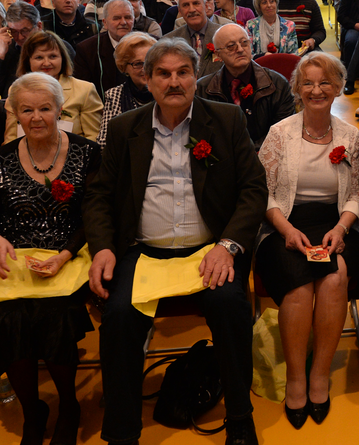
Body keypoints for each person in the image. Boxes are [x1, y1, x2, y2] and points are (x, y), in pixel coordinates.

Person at [83, 38, 266, 445]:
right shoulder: (124, 128)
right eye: (163, 74)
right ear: (146, 80)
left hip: (209, 249)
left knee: (230, 306)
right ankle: (123, 430)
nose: (174, 81)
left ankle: (239, 416)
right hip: (143, 251)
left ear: (195, 78)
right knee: (118, 317)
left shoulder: (227, 119)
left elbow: (253, 189)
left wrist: (229, 245)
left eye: (183, 72)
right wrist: (104, 249)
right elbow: (98, 195)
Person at [0, 73, 102, 445]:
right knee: (3, 316)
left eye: (45, 108)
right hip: (16, 257)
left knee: (53, 314)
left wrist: (64, 255)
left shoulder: (86, 152)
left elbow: (94, 216)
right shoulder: (0, 159)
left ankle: (69, 405)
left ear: (60, 110)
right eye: (26, 110)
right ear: (14, 113)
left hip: (70, 252)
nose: (37, 117)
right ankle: (33, 411)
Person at [255, 52, 359, 429]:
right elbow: (262, 192)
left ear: (337, 88)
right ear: (297, 89)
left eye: (325, 83)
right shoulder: (279, 133)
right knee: (300, 287)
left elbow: (356, 194)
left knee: (334, 279)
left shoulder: (350, 135)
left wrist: (343, 228)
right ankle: (297, 378)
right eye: (308, 83)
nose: (316, 90)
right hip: (283, 223)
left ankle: (320, 375)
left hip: (334, 223)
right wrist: (285, 229)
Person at [195, 24, 295, 151]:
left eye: (244, 43)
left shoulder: (277, 84)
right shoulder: (202, 89)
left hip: (267, 156)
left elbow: (284, 130)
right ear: (217, 54)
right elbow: (203, 133)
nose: (240, 49)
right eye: (231, 46)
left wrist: (249, 154)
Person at [5, 32, 102, 145]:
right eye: (39, 57)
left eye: (53, 56)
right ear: (28, 61)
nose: (46, 63)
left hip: (73, 157)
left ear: (63, 58)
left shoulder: (85, 90)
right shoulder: (15, 90)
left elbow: (93, 139)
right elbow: (11, 139)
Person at [97, 32, 157, 148]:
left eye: (149, 63)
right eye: (138, 64)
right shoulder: (114, 95)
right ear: (124, 67)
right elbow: (104, 143)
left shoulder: (165, 92)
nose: (145, 69)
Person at [73, 0, 136, 100]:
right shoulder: (87, 49)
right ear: (105, 23)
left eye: (128, 17)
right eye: (117, 18)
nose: (123, 22)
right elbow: (83, 92)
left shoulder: (151, 45)